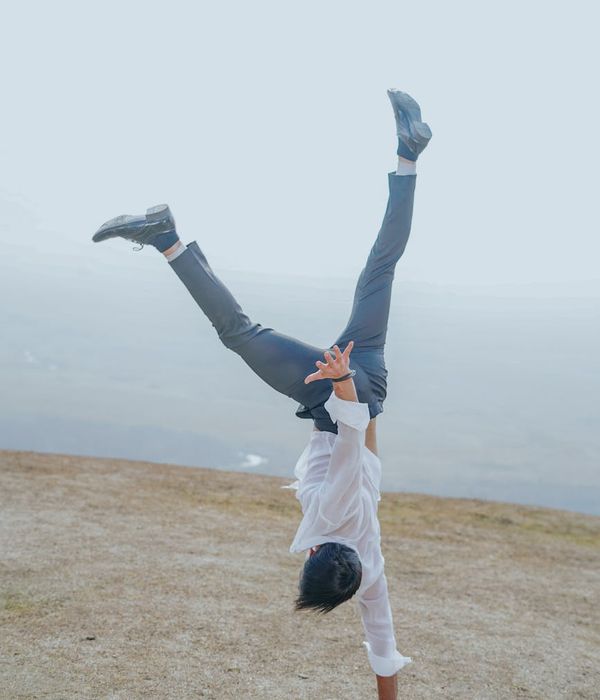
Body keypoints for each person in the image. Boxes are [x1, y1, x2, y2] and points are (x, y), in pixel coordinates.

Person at [91, 88, 431, 700]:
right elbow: (352, 448)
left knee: (381, 268)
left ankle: (409, 156)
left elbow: (384, 648)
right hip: (342, 395)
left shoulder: (371, 572)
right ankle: (165, 235)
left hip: (365, 387)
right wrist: (341, 381)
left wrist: (357, 388)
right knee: (239, 333)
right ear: (315, 561)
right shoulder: (333, 518)